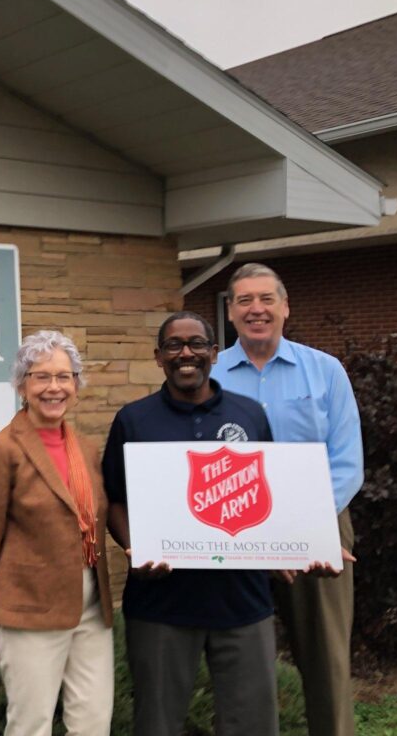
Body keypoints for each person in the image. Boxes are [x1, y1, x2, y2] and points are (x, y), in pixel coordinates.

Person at [103, 311, 278, 736]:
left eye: (197, 343)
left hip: (243, 601)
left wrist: (304, 544)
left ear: (214, 353)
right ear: (158, 356)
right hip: (161, 604)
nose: (186, 353)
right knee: (157, 725)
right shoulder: (134, 420)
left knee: (253, 725)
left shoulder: (249, 414)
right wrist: (135, 548)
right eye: (174, 345)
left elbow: (273, 495)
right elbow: (114, 500)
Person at [212, 262, 362, 736]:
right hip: (233, 529)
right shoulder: (209, 377)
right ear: (230, 312)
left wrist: (306, 529)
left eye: (266, 299)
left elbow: (347, 460)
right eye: (244, 301)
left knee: (326, 660)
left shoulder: (325, 371)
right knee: (238, 658)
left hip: (319, 526)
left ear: (285, 307)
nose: (256, 309)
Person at [0, 330, 113, 736]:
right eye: (41, 377)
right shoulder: (1, 449)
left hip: (91, 608)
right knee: (30, 726)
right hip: (29, 610)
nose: (54, 387)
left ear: (76, 385)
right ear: (22, 385)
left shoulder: (85, 448)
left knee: (93, 724)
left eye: (64, 377)